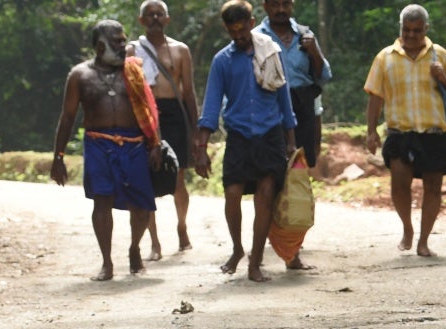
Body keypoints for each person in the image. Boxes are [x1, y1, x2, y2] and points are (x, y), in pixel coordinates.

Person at [195, 0, 302, 282]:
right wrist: (201, 147)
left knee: (265, 196)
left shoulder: (271, 52)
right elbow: (211, 105)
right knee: (232, 195)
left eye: (242, 30)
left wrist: (290, 140)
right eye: (233, 31)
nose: (239, 36)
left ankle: (255, 262)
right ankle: (237, 249)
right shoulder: (222, 61)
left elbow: (284, 98)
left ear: (252, 24)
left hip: (270, 135)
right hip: (239, 137)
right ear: (226, 29)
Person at [49, 20, 164, 281]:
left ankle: (134, 248)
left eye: (124, 40)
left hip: (134, 145)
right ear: (100, 46)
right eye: (117, 42)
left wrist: (155, 143)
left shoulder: (133, 71)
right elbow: (67, 117)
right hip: (98, 145)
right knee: (102, 200)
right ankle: (107, 262)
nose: (124, 46)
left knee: (142, 205)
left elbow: (149, 108)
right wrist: (58, 157)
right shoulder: (80, 75)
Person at [364, 4, 446, 257]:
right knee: (399, 185)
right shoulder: (385, 57)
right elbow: (375, 97)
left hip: (434, 132)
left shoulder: (440, 55)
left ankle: (424, 240)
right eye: (406, 30)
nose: (410, 35)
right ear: (400, 28)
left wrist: (443, 77)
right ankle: (407, 228)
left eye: (416, 31)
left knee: (433, 187)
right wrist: (371, 132)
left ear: (426, 29)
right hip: (400, 133)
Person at [131, 0, 198, 260]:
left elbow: (189, 93)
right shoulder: (132, 50)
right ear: (141, 21)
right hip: (145, 116)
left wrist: (196, 130)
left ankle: (182, 227)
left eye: (160, 14)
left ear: (167, 19)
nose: (155, 18)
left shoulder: (180, 50)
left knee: (178, 178)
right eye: (150, 15)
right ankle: (154, 242)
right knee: (146, 179)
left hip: (173, 115)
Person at [257, 0, 331, 168]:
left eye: (285, 4)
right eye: (275, 5)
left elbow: (324, 77)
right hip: (270, 109)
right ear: (265, 6)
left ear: (292, 5)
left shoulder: (305, 35)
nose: (281, 10)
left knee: (300, 168)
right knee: (271, 169)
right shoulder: (257, 38)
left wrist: (315, 52)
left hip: (302, 111)